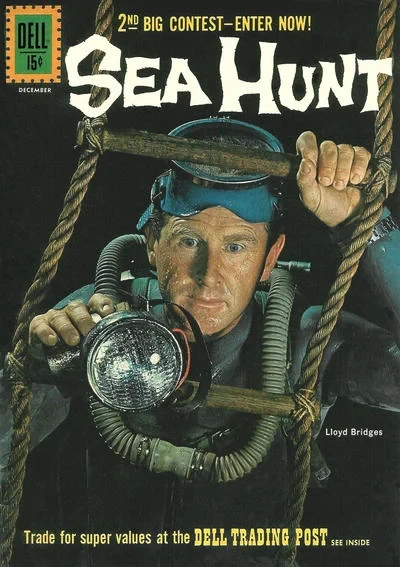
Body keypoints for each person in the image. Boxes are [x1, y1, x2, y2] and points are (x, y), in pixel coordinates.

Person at [4, 118, 400, 567]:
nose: (208, 275)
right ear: (152, 244)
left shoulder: (302, 341)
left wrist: (366, 225)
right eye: (189, 240)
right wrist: (33, 370)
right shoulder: (101, 324)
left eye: (236, 247)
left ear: (270, 258)